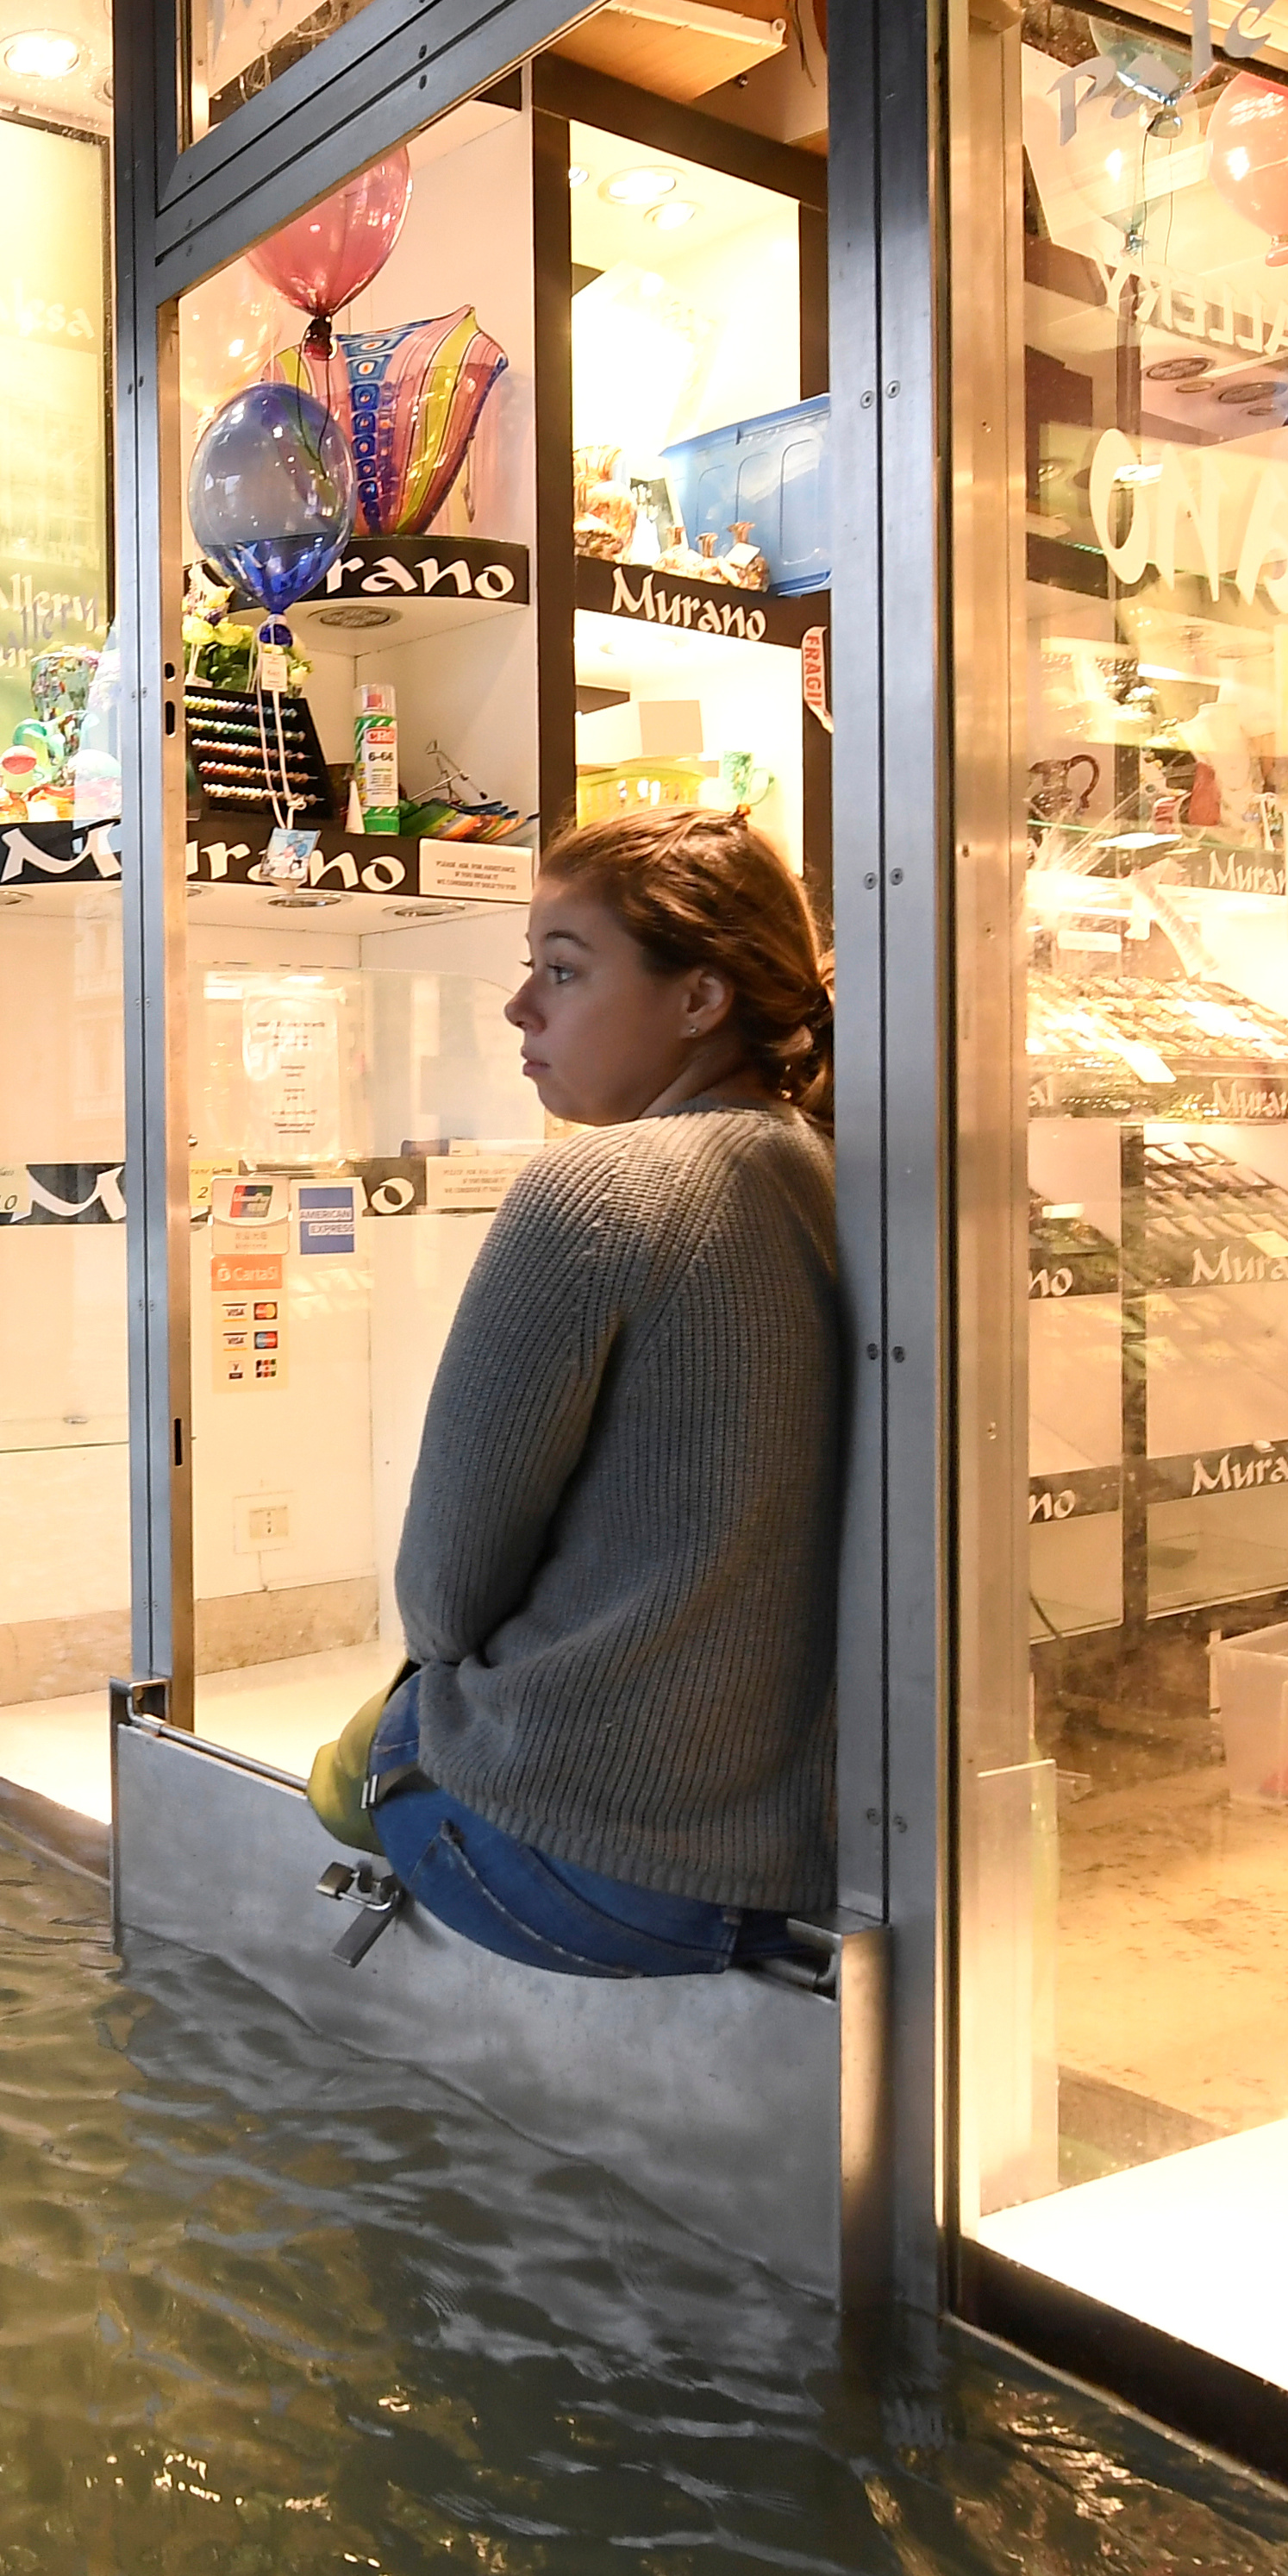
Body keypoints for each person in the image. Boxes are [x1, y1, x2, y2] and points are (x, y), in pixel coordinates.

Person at [311, 806, 846, 1976]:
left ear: (701, 999)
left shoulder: (595, 1188)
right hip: (801, 1863)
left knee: (372, 1743)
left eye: (563, 969)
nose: (521, 1007)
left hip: (573, 1867)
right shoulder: (843, 1177)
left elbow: (445, 1591)